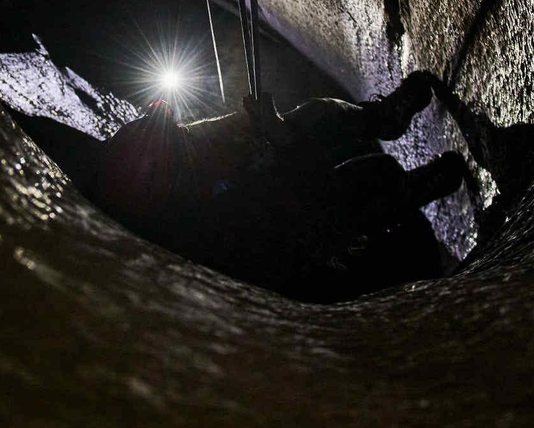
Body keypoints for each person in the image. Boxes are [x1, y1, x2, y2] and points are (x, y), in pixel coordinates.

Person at [89, 70, 468, 300]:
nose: (189, 133)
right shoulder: (217, 230)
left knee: (317, 118)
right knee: (363, 185)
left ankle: (381, 119)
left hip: (271, 188)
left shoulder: (186, 152)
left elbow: (250, 137)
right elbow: (294, 196)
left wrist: (270, 127)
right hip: (294, 236)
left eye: (182, 133)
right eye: (181, 141)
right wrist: (281, 142)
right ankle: (411, 191)